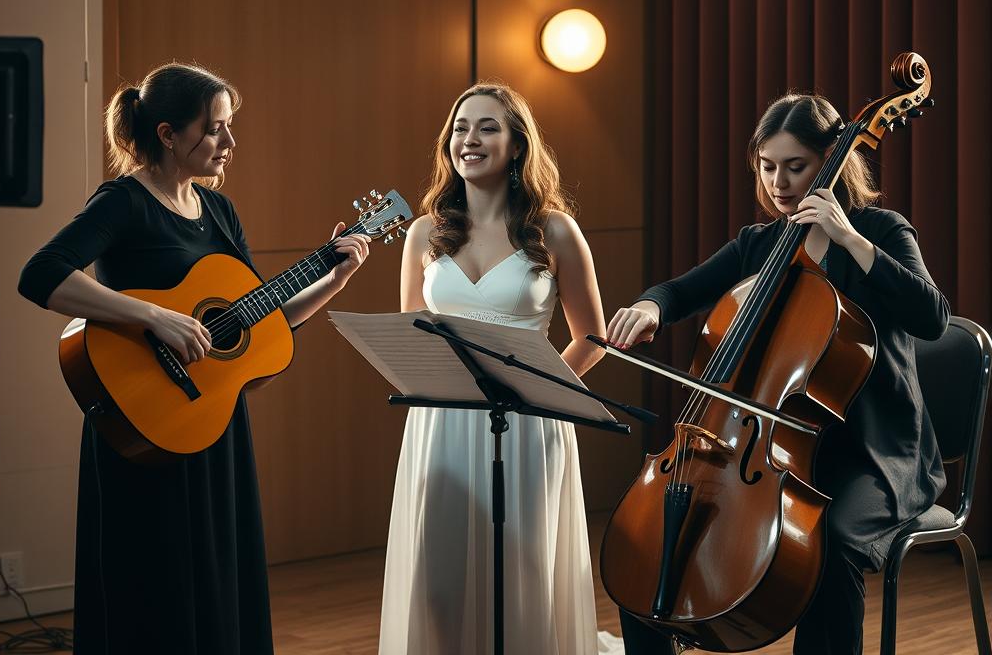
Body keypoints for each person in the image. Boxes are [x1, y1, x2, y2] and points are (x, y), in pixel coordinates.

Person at [18, 62, 371, 655]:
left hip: (212, 418)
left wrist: (333, 279)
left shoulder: (219, 212)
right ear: (166, 133)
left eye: (228, 127)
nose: (229, 142)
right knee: (154, 588)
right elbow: (42, 274)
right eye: (214, 129)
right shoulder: (123, 202)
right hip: (143, 419)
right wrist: (152, 316)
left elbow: (257, 322)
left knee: (217, 577)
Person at [606, 93, 949, 654]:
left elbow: (932, 317)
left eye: (796, 167)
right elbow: (679, 292)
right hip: (770, 447)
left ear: (834, 162)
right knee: (646, 543)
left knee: (830, 545)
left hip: (873, 453)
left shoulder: (881, 230)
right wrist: (650, 308)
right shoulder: (758, 244)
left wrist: (849, 239)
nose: (779, 183)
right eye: (767, 167)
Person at [378, 83, 623, 654]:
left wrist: (534, 390)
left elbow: (594, 338)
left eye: (488, 127)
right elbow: (414, 334)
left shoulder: (555, 230)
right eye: (461, 127)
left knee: (524, 572)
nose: (470, 139)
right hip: (442, 421)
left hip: (529, 420)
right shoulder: (423, 233)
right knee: (437, 578)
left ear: (517, 145)